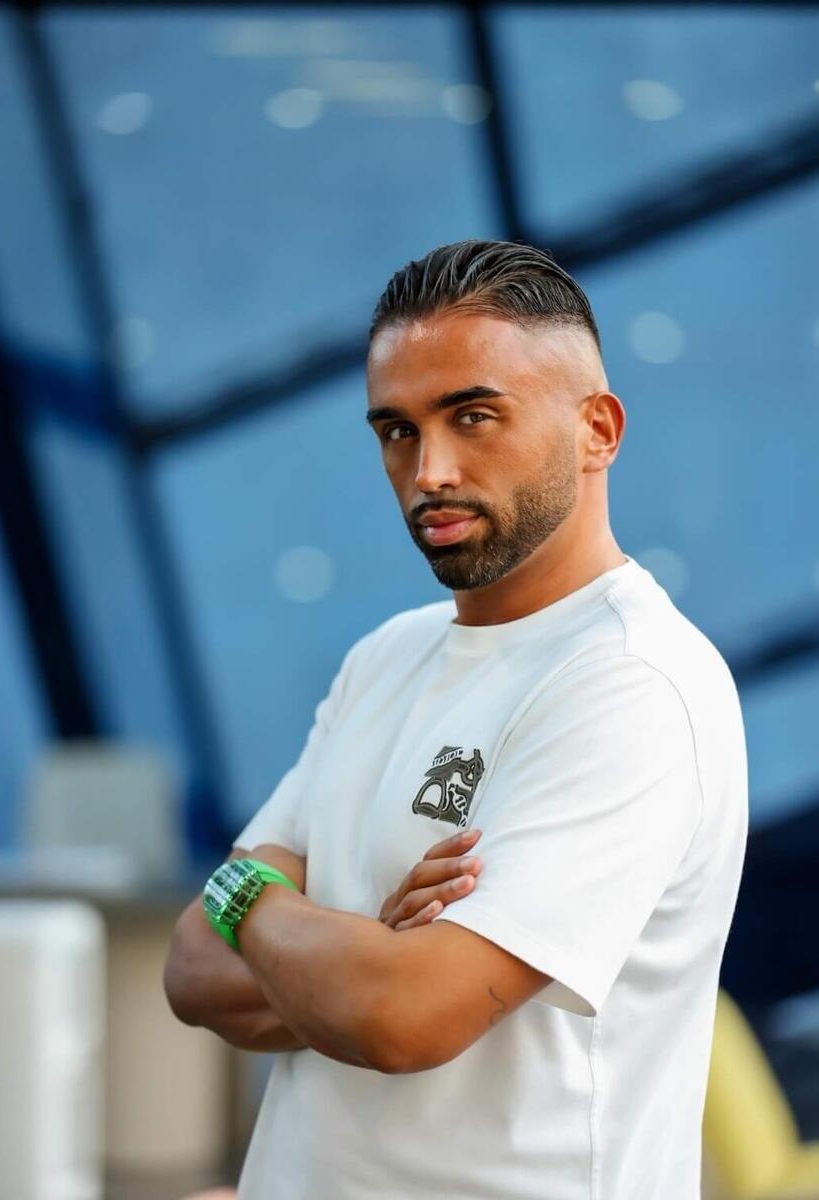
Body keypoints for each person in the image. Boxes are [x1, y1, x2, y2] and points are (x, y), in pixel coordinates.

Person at [163, 239, 747, 1199]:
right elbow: (193, 972)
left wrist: (251, 900)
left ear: (597, 430)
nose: (428, 470)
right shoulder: (384, 657)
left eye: (473, 416)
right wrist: (364, 941)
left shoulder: (631, 683)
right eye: (397, 430)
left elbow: (402, 1018)